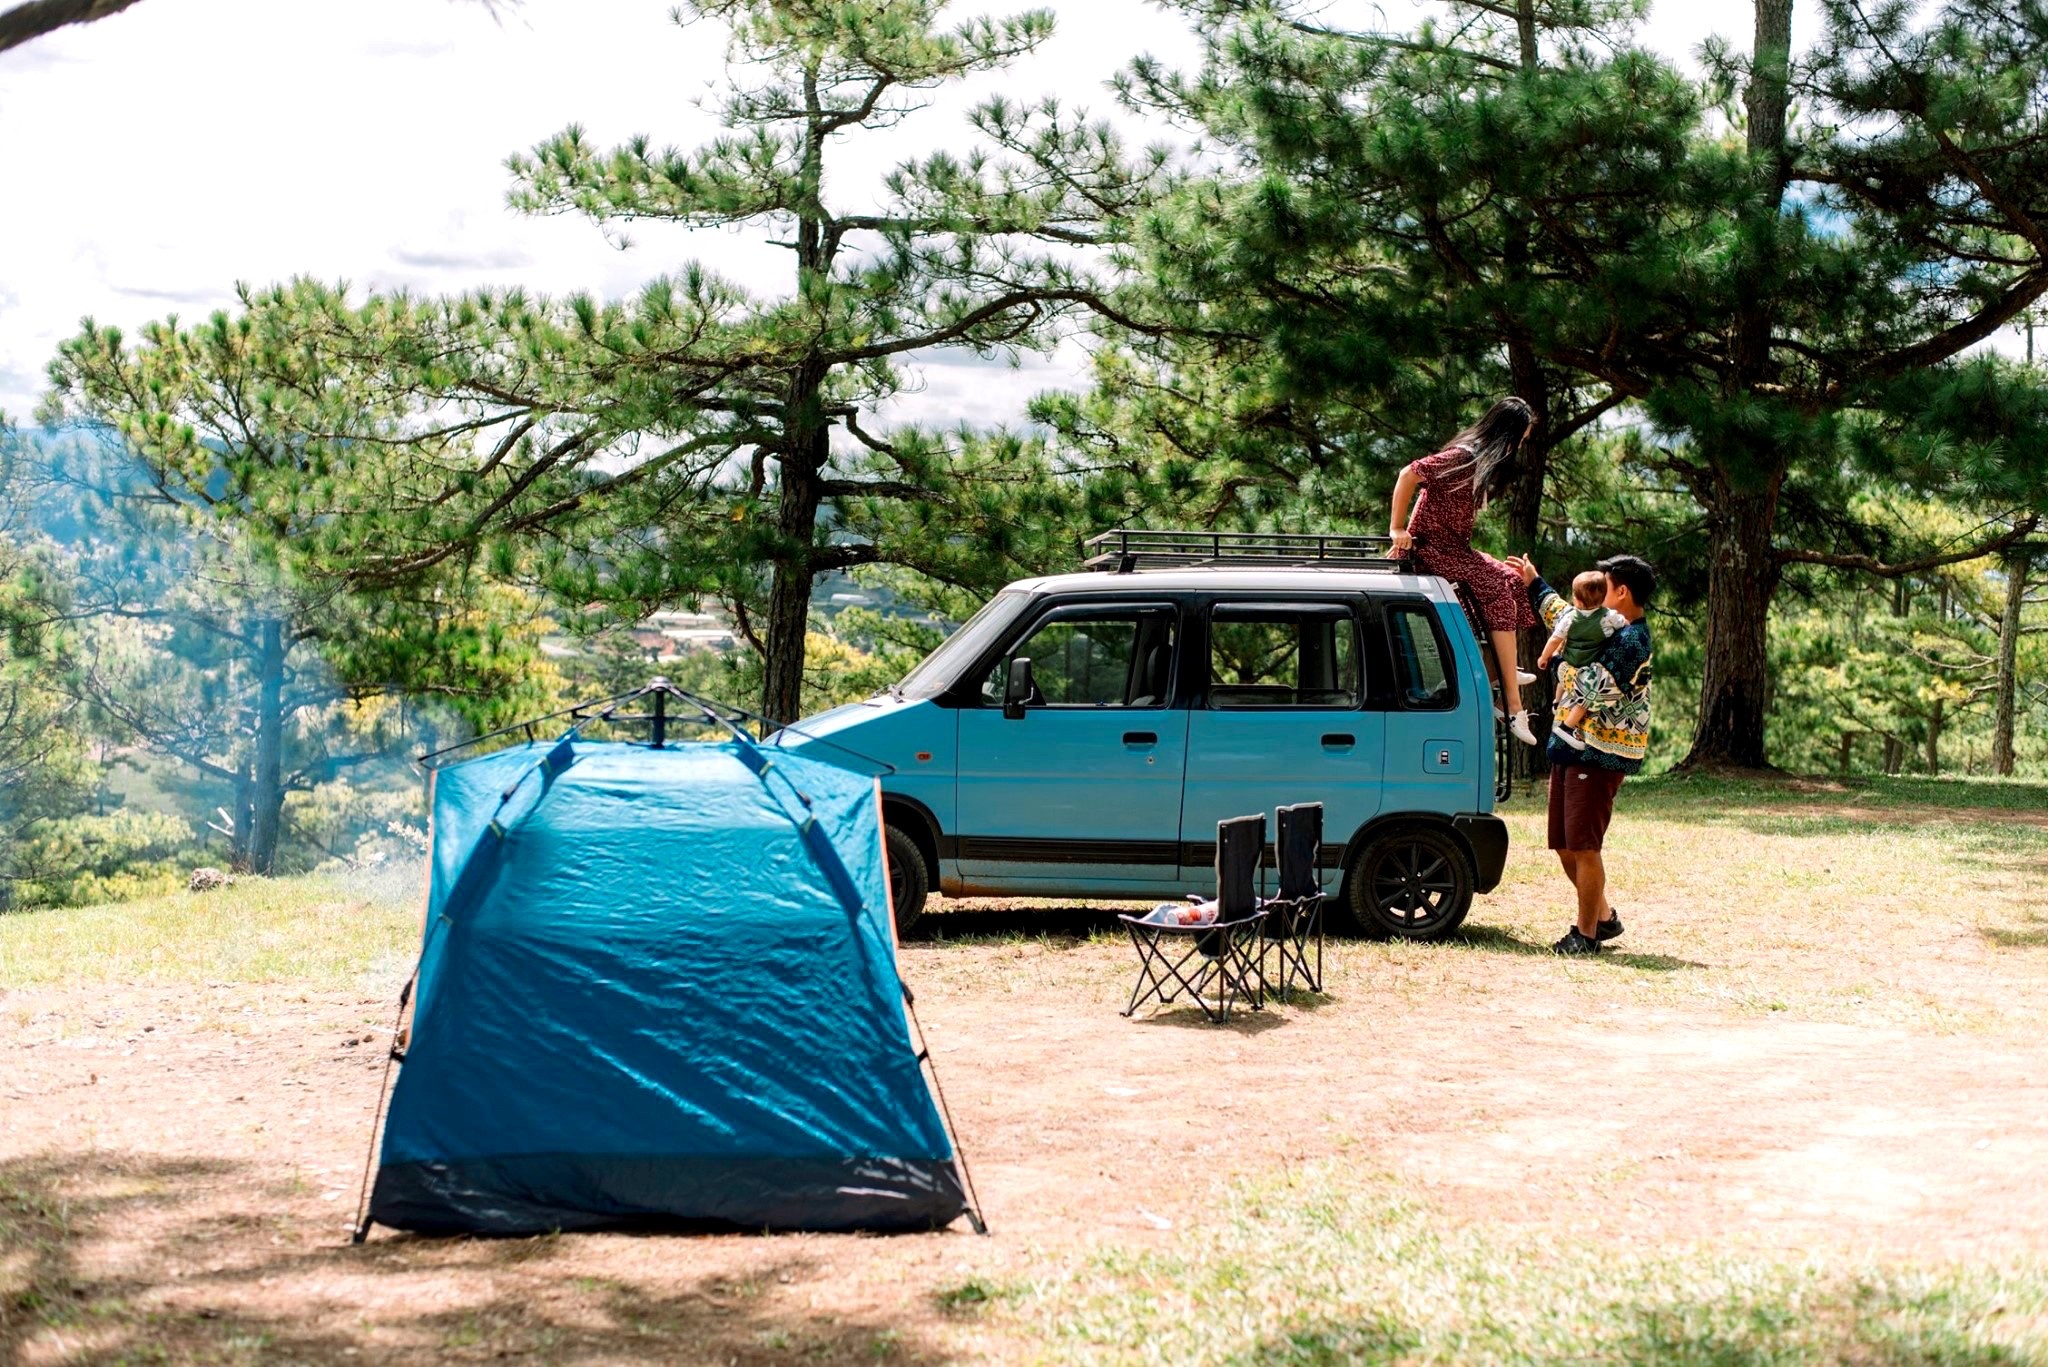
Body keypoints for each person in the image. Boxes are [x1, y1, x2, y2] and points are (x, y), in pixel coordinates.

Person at [1504, 551, 1655, 956]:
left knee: (1585, 847)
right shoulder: (1599, 621)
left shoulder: (1631, 640)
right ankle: (1604, 917)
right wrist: (1534, 582)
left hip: (1598, 753)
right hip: (1569, 747)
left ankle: (1586, 935)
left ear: (1621, 593)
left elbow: (1594, 686)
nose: (1594, 593)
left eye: (1603, 586)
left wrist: (1556, 664)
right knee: (1565, 844)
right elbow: (1563, 614)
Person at [1388, 397, 1541, 744]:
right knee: (1497, 589)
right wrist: (1397, 529)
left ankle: (1501, 675)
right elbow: (1408, 474)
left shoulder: (1479, 464)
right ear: (1507, 434)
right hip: (1431, 548)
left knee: (1511, 580)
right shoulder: (1462, 457)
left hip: (1454, 549)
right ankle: (1513, 704)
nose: (1519, 447)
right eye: (1520, 439)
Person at [1534, 570, 1629, 750]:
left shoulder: (1569, 617)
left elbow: (1555, 639)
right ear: (1603, 597)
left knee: (1562, 678)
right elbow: (1624, 624)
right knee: (1585, 700)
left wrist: (1544, 657)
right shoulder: (1608, 617)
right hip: (1590, 665)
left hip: (1570, 659)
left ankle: (1556, 702)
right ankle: (1567, 727)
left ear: (1576, 600)